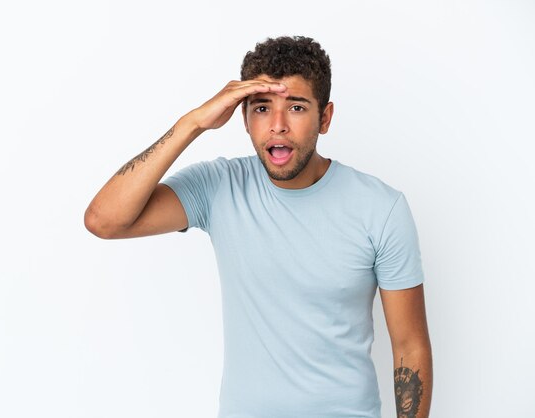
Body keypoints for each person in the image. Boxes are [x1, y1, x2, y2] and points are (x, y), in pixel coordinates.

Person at [84, 35, 432, 418]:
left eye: (296, 107)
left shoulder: (381, 208)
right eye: (262, 108)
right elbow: (104, 220)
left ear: (325, 118)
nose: (278, 126)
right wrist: (193, 123)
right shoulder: (219, 186)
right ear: (244, 118)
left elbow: (410, 346)